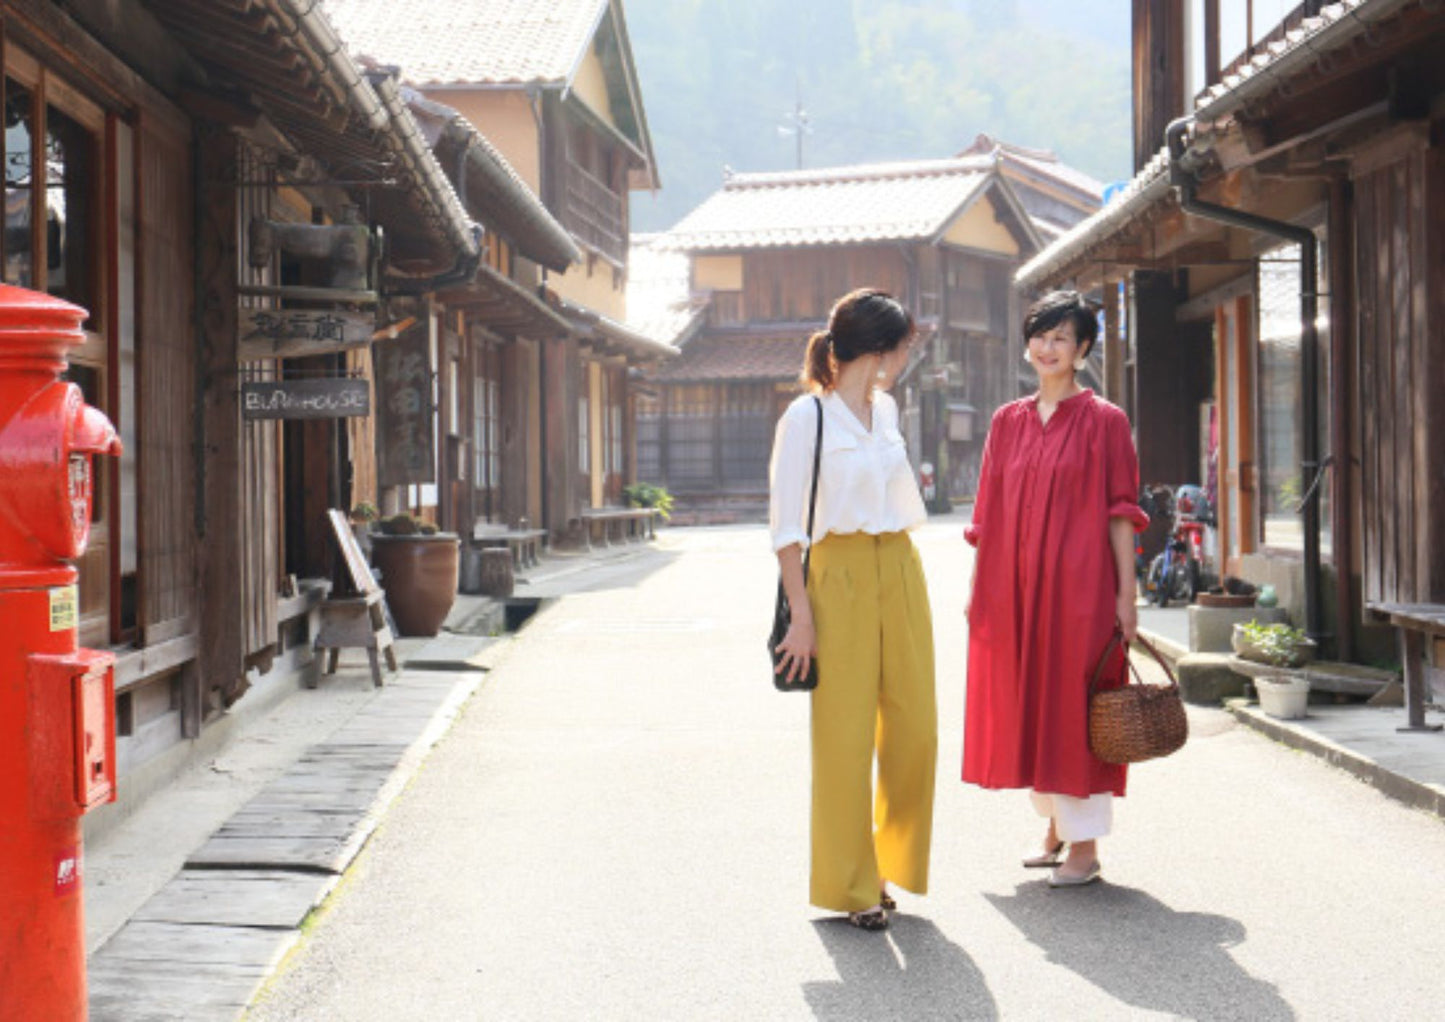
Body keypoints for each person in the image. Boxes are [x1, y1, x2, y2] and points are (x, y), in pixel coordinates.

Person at [962, 289, 1148, 888]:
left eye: (1062, 337)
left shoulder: (1106, 422)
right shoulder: (1006, 422)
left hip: (1082, 590)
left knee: (1075, 706)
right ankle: (1054, 826)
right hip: (1013, 587)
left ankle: (1085, 847)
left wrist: (1127, 596)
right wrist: (977, 591)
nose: (1048, 347)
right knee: (1029, 701)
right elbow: (987, 514)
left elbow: (1122, 514)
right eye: (1040, 335)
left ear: (1083, 349)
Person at [770, 288, 937, 931]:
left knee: (916, 729)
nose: (902, 356)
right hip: (834, 574)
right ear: (878, 350)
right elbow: (787, 529)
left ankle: (887, 864)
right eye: (901, 345)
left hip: (898, 566)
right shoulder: (806, 419)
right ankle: (852, 887)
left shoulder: (888, 409)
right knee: (843, 737)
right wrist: (802, 616)